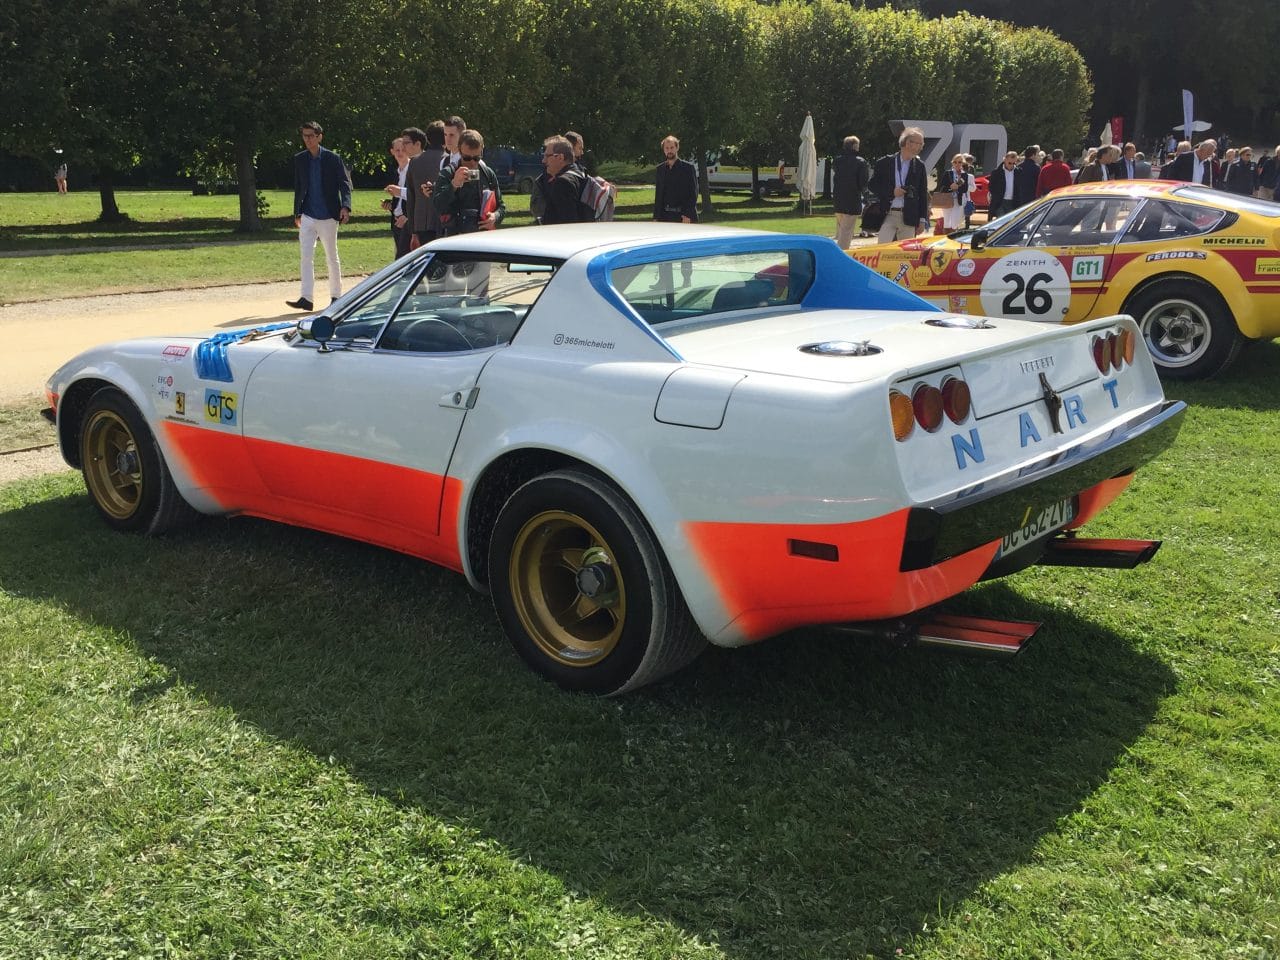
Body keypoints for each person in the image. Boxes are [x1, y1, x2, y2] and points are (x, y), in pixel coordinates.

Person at [287, 121, 351, 311]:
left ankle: (336, 296)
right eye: (305, 136)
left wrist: (345, 207)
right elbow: (299, 187)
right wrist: (297, 211)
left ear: (319, 136)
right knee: (306, 256)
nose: (307, 139)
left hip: (329, 215)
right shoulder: (300, 159)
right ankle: (306, 298)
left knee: (332, 256)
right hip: (307, 214)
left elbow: (345, 184)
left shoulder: (333, 158)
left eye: (311, 136)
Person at [433, 129, 504, 236]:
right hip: (455, 237)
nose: (472, 162)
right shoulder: (448, 173)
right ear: (460, 151)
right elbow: (438, 205)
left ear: (482, 151)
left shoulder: (487, 174)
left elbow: (501, 207)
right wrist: (454, 184)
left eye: (476, 158)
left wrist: (495, 217)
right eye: (467, 158)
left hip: (483, 237)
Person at [868, 126, 929, 242]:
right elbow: (872, 185)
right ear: (908, 143)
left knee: (905, 254)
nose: (921, 147)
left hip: (909, 216)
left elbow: (922, 194)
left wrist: (922, 220)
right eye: (919, 144)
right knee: (883, 250)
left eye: (922, 144)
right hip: (888, 214)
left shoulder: (920, 166)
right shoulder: (884, 162)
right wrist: (892, 192)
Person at [405, 121, 446, 249]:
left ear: (427, 139)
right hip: (442, 221)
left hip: (420, 222)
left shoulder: (414, 162)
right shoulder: (448, 160)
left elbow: (410, 198)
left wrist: (413, 231)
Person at [536, 136, 590, 224]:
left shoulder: (562, 183)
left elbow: (567, 224)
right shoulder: (581, 174)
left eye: (547, 156)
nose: (543, 160)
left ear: (560, 157)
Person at [832, 135, 870, 248]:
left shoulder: (837, 161)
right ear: (854, 146)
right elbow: (863, 182)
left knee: (841, 230)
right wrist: (866, 197)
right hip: (852, 200)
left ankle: (837, 251)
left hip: (838, 199)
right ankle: (841, 255)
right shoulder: (860, 162)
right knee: (847, 231)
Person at [653, 134, 699, 224]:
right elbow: (658, 196)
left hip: (683, 217)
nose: (669, 150)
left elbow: (694, 193)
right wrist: (656, 217)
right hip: (664, 216)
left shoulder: (688, 168)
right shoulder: (660, 169)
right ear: (663, 150)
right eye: (667, 148)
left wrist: (687, 215)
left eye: (672, 147)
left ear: (677, 148)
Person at [382, 136, 411, 259]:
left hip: (408, 221)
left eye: (403, 150)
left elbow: (418, 196)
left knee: (405, 259)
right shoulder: (396, 172)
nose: (400, 153)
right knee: (399, 259)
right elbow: (398, 200)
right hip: (396, 222)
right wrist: (389, 205)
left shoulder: (413, 170)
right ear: (392, 152)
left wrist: (408, 216)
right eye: (397, 150)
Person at [938, 153, 974, 232]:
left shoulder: (964, 175)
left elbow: (965, 189)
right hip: (947, 199)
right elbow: (941, 187)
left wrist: (958, 187)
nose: (957, 164)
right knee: (947, 221)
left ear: (963, 163)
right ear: (952, 163)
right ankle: (946, 238)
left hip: (958, 200)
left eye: (960, 162)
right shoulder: (948, 173)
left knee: (955, 221)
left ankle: (953, 235)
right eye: (955, 162)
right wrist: (950, 187)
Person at [987, 150, 1019, 219]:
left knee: (1011, 222)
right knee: (1001, 221)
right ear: (1005, 160)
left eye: (1014, 163)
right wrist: (996, 195)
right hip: (1000, 202)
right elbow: (991, 187)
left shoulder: (1019, 172)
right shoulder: (996, 172)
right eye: (1009, 163)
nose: (1012, 165)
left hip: (1013, 202)